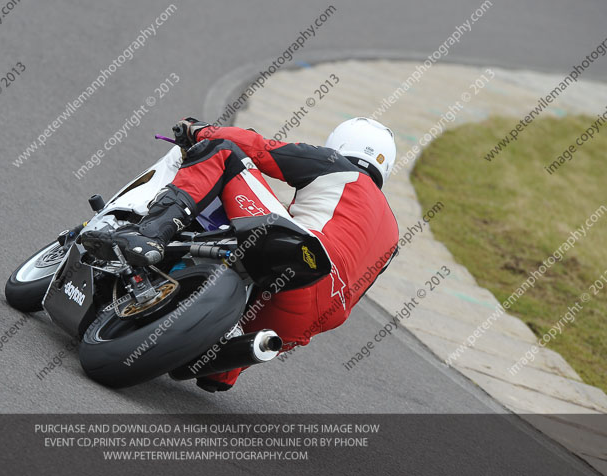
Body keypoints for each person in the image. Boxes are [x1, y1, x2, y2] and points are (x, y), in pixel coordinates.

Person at [81, 116, 399, 392]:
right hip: (306, 320)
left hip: (300, 260)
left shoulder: (334, 165)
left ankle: (150, 235)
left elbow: (259, 149)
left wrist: (200, 131)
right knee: (213, 361)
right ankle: (221, 369)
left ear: (338, 144)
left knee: (222, 152)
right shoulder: (393, 236)